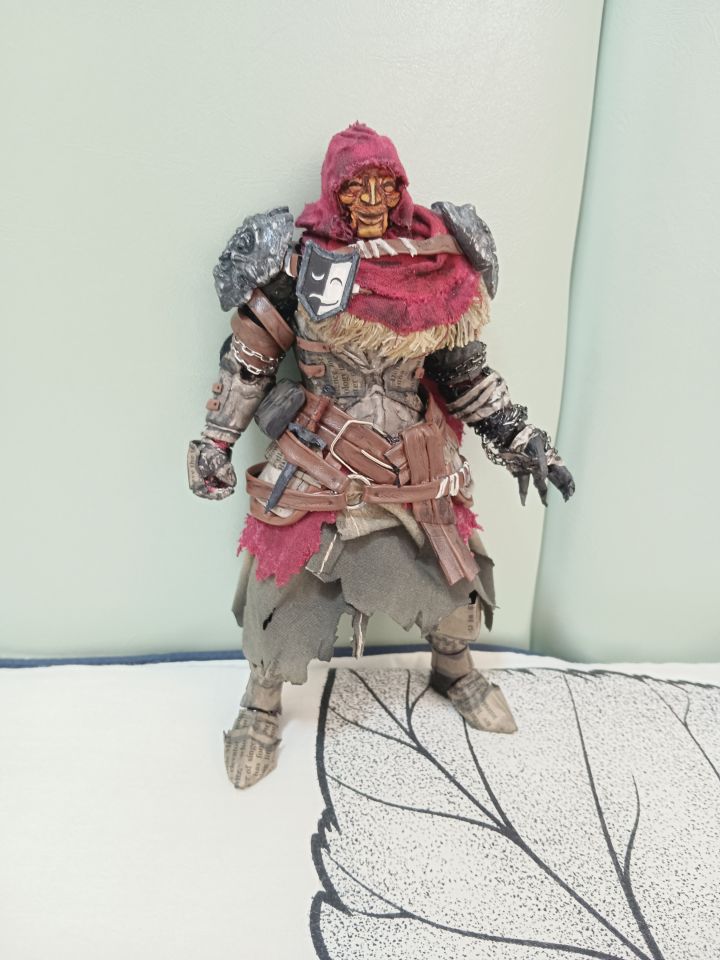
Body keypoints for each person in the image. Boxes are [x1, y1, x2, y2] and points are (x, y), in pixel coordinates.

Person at [187, 124, 574, 789]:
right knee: (281, 583)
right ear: (334, 191)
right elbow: (249, 361)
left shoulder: (435, 267)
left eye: (383, 185)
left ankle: (453, 669)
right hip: (316, 459)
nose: (370, 200)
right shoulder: (296, 262)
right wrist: (215, 441)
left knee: (456, 572)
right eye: (356, 187)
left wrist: (519, 439)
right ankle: (261, 703)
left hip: (414, 464)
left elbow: (462, 374)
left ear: (400, 189)